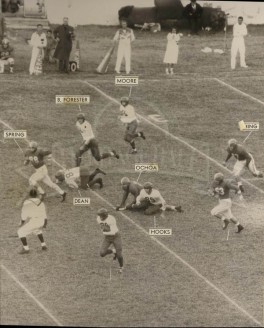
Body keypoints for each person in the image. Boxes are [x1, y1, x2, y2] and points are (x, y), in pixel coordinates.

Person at [17, 187, 48, 254]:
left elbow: (24, 214)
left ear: (29, 195)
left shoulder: (26, 202)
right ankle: (43, 245)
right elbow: (44, 213)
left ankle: (26, 249)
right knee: (37, 230)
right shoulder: (41, 202)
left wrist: (21, 223)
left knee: (20, 232)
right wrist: (45, 223)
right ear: (36, 195)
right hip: (41, 221)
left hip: (34, 221)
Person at [97, 208, 124, 273]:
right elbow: (103, 227)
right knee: (102, 253)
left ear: (105, 216)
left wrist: (104, 233)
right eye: (100, 216)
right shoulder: (98, 218)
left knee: (119, 255)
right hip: (107, 238)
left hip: (116, 237)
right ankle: (113, 251)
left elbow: (113, 232)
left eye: (102, 216)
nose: (100, 218)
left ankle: (121, 267)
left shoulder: (111, 219)